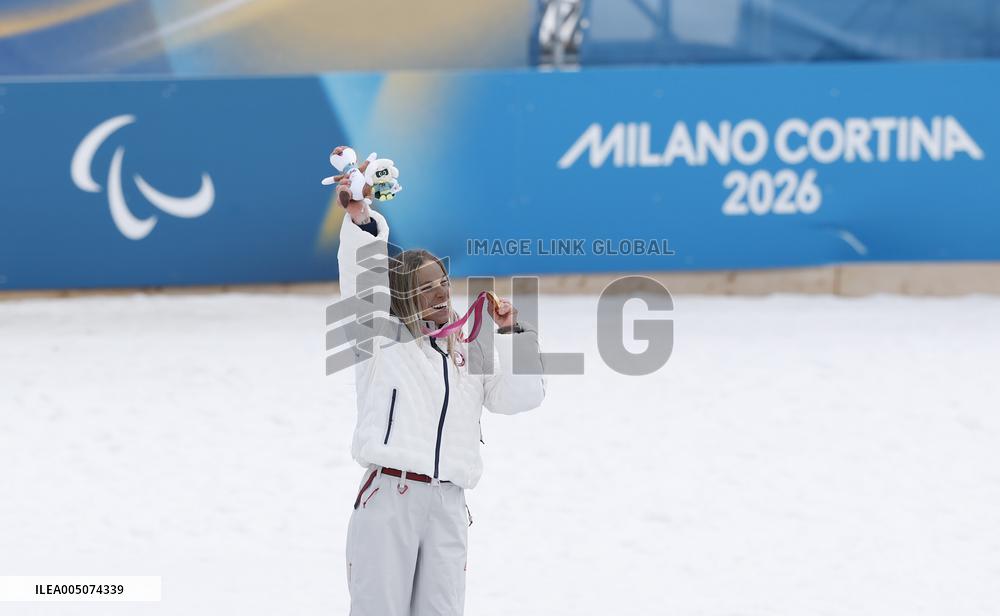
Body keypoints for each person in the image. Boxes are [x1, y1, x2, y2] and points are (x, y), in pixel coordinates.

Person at [332, 146, 547, 616]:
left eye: (444, 283)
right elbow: (362, 278)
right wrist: (363, 220)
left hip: (450, 503)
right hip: (390, 496)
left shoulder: (465, 349)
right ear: (403, 294)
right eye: (426, 286)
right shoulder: (379, 336)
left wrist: (512, 333)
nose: (441, 293)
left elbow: (521, 397)